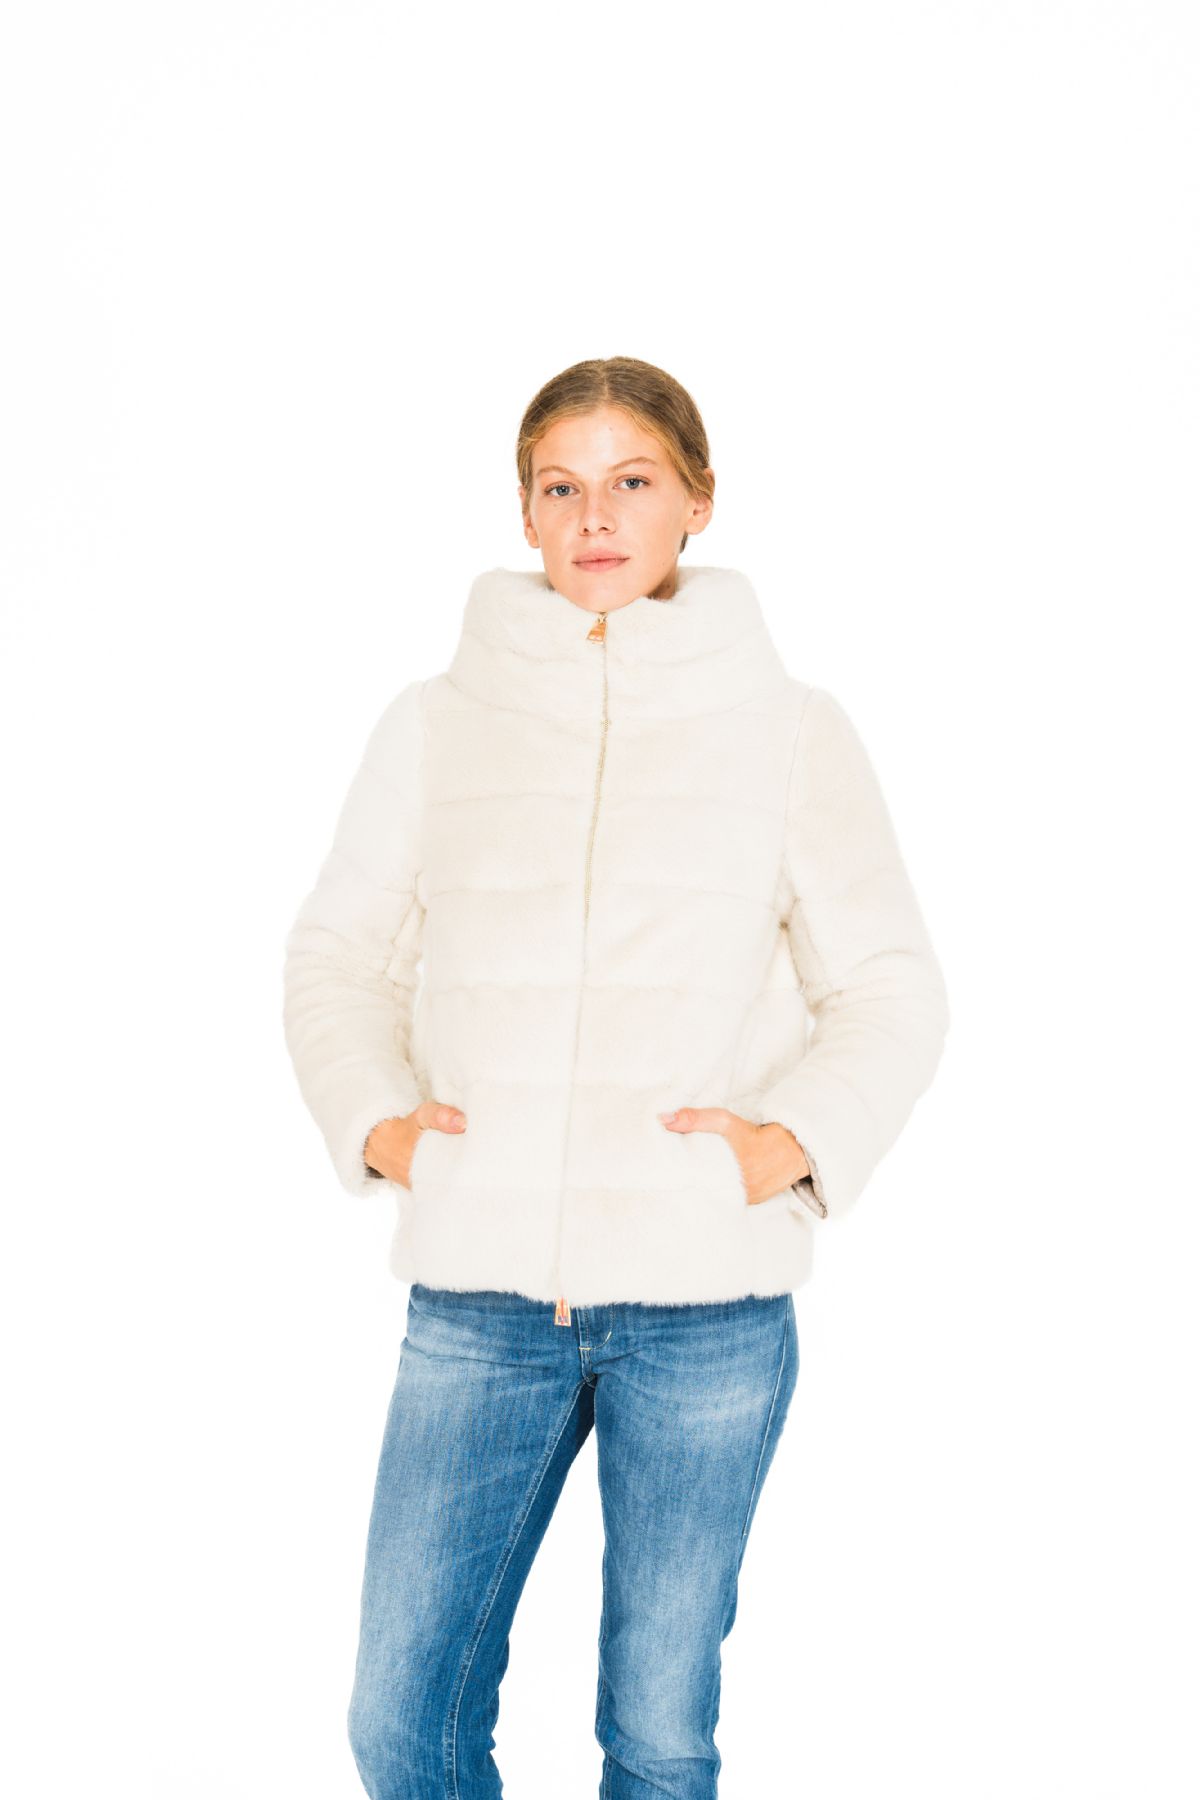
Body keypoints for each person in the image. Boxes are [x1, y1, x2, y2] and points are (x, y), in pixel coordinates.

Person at [281, 356, 950, 1799]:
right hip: (479, 1304)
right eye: (561, 486)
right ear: (524, 513)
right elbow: (336, 956)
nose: (595, 516)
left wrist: (788, 1144)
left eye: (632, 481)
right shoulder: (437, 721)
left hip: (706, 1313)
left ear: (697, 501)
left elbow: (891, 987)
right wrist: (381, 1128)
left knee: (656, 1736)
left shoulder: (790, 729)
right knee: (402, 1720)